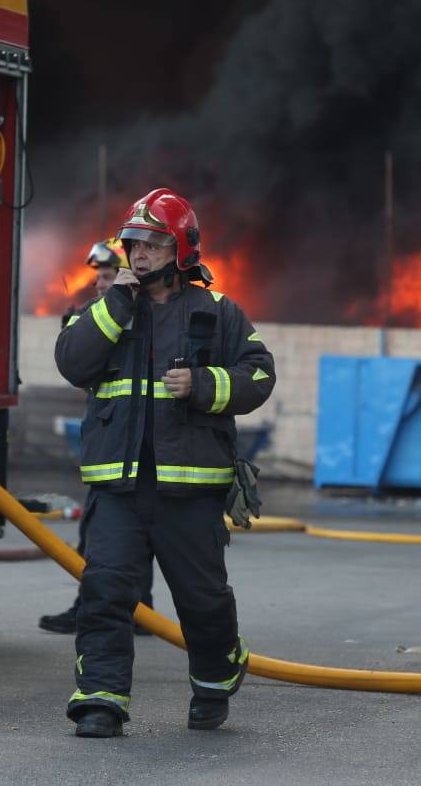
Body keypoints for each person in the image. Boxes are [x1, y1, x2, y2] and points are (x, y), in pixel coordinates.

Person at [54, 187, 275, 738]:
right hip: (118, 488)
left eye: (152, 244)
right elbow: (72, 361)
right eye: (134, 244)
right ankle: (101, 698)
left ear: (180, 249)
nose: (140, 254)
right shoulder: (109, 308)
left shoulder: (217, 314)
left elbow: (260, 375)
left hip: (190, 489)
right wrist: (116, 304)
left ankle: (215, 679)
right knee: (105, 592)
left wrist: (203, 384)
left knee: (202, 601)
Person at [41, 240, 155, 635]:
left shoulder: (145, 320)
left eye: (108, 276)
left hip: (132, 454)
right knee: (111, 537)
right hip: (111, 451)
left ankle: (122, 609)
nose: (100, 285)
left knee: (111, 539)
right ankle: (135, 609)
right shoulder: (102, 317)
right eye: (98, 278)